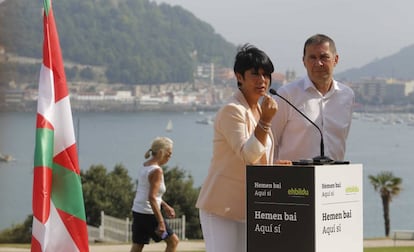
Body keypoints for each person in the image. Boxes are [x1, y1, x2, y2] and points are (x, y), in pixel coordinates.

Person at [196, 44, 291, 252]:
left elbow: (256, 157)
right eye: (255, 74)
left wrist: (274, 166)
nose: (262, 80)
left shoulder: (258, 109)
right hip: (221, 207)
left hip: (250, 206)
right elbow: (247, 155)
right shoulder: (232, 110)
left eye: (266, 75)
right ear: (239, 76)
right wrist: (266, 121)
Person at [271, 34, 354, 162]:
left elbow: (341, 140)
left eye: (324, 57)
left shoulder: (347, 96)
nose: (318, 63)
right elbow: (271, 141)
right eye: (312, 58)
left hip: (334, 178)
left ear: (336, 59)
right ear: (304, 61)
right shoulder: (287, 94)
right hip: (293, 178)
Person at [130, 137, 179, 252]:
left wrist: (165, 205)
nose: (170, 157)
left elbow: (148, 193)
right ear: (161, 152)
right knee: (173, 241)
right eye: (169, 154)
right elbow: (151, 197)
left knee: (138, 245)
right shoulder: (157, 170)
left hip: (138, 211)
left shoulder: (145, 165)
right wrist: (161, 223)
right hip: (149, 214)